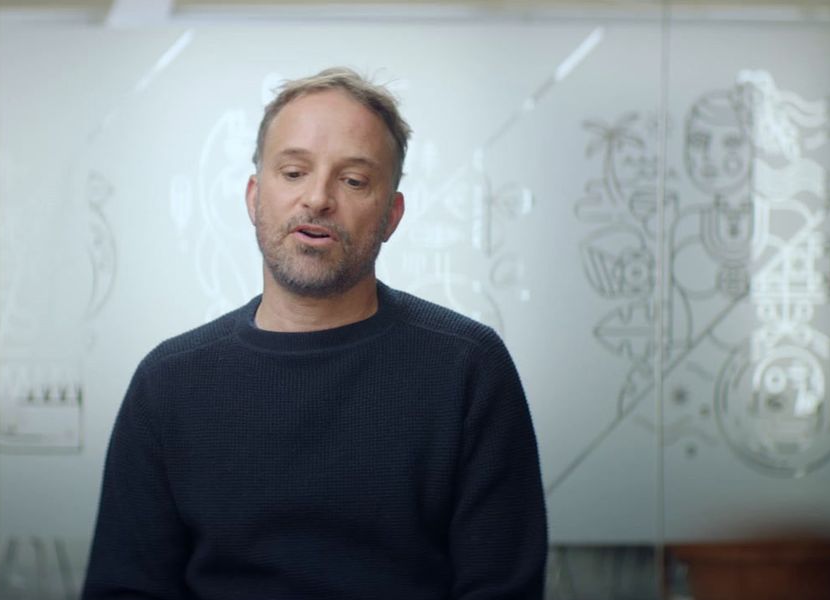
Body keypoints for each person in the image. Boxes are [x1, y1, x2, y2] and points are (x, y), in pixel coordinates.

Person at [83, 67, 547, 599]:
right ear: (255, 197)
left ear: (392, 215)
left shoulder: (467, 368)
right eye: (294, 172)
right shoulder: (169, 382)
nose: (318, 199)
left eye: (353, 180)